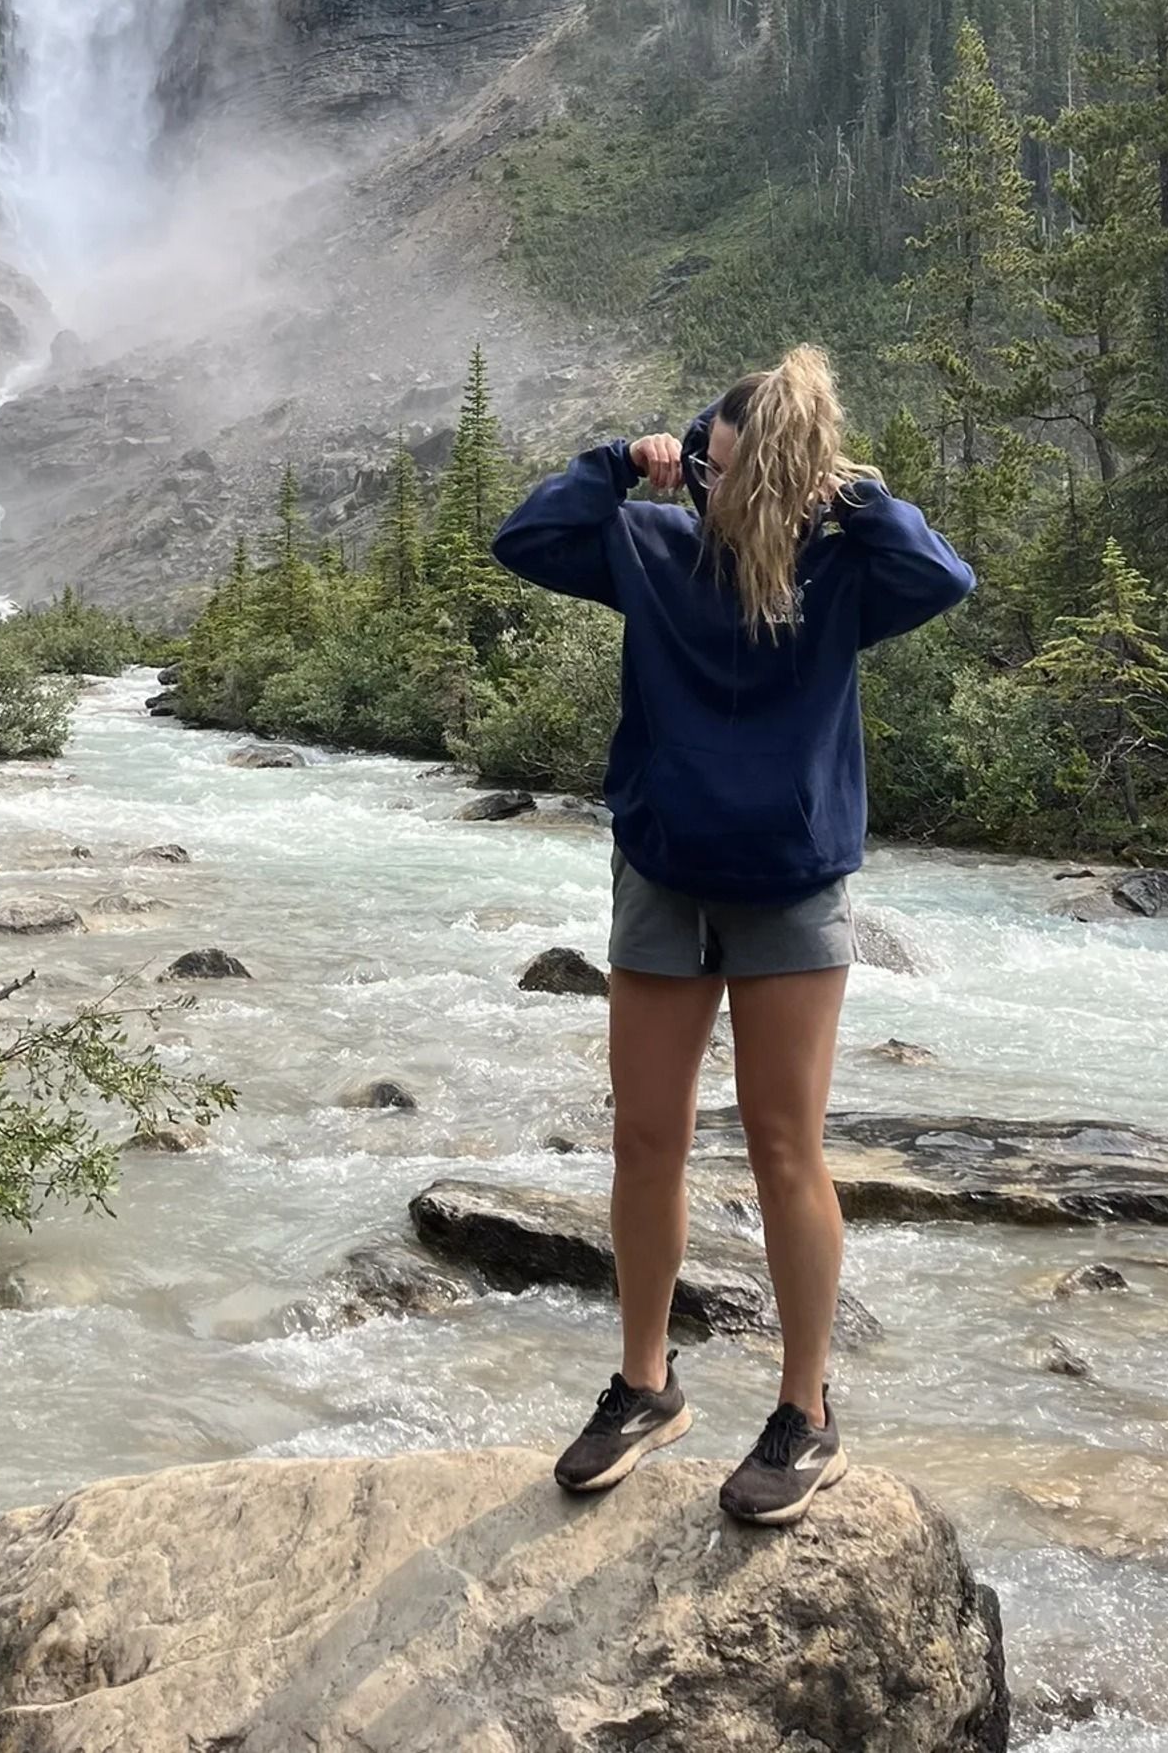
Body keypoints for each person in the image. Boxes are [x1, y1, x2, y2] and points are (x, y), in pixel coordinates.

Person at [491, 344, 973, 1526]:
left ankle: (805, 1412)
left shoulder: (844, 566)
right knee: (645, 1139)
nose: (710, 493)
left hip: (793, 884)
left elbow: (941, 572)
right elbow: (524, 538)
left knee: (783, 1148)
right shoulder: (650, 546)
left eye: (728, 475)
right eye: (699, 469)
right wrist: (618, 459)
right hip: (664, 875)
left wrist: (843, 489)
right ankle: (645, 1387)